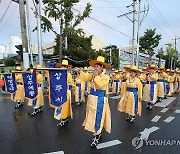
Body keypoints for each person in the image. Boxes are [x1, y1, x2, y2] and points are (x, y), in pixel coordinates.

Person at [73, 56, 111, 148]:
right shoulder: (92, 75)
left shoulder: (106, 77)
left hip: (100, 100)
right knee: (92, 116)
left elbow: (101, 85)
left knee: (98, 117)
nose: (95, 68)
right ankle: (97, 133)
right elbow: (86, 77)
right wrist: (79, 71)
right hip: (92, 99)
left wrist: (96, 76)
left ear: (102, 68)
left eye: (97, 66)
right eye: (95, 66)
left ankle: (97, 135)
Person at [55, 60, 73, 126]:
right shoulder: (59, 74)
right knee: (59, 105)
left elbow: (68, 83)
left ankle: (64, 118)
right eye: (62, 66)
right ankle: (62, 118)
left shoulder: (68, 75)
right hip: (60, 92)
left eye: (64, 66)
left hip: (66, 92)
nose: (63, 67)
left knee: (64, 106)